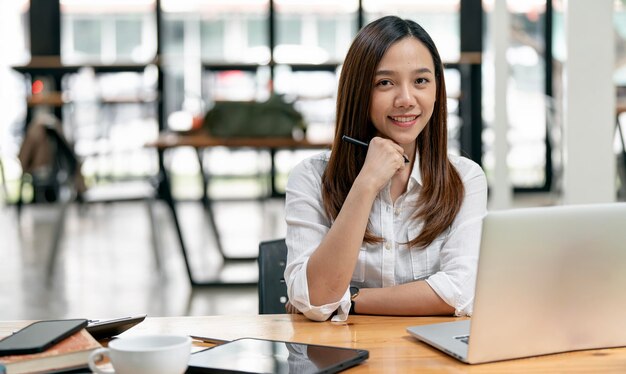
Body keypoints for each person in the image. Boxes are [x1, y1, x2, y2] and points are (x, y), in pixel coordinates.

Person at [284, 15, 488, 322]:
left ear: (436, 89)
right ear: (359, 92)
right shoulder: (311, 178)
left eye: (420, 81)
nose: (406, 100)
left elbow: (460, 291)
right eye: (384, 83)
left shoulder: (464, 179)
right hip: (341, 356)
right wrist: (366, 183)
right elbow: (317, 299)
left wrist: (351, 298)